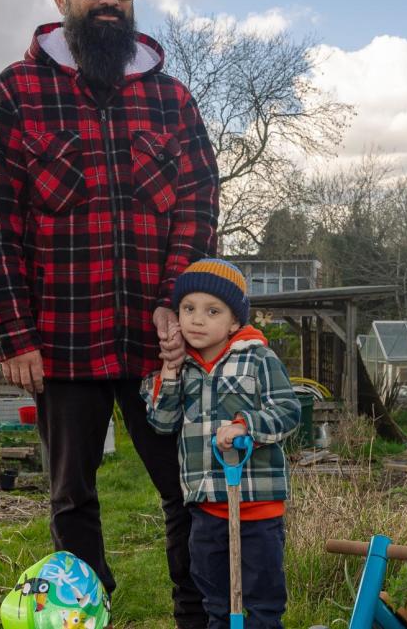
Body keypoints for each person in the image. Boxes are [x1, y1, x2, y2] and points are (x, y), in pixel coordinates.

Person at [0, 0, 219, 628]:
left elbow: (198, 204)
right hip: (61, 337)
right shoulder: (16, 94)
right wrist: (14, 331)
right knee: (71, 496)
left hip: (158, 340)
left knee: (187, 488)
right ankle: (80, 616)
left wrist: (180, 304)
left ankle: (196, 614)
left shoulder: (171, 100)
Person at [143, 259, 301, 628]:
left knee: (263, 600)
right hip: (208, 510)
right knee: (216, 601)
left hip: (258, 505)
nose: (197, 320)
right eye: (188, 309)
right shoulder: (182, 368)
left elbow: (289, 410)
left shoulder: (258, 359)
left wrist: (247, 425)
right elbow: (162, 422)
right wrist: (168, 373)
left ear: (233, 321)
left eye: (212, 311)